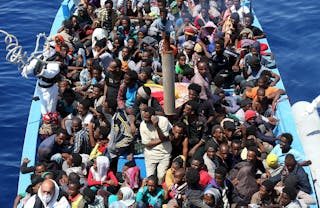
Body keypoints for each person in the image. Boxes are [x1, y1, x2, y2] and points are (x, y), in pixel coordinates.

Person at [140, 107, 172, 184]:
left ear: (153, 116)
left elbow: (167, 136)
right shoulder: (142, 125)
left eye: (147, 118)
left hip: (164, 153)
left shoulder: (163, 121)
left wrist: (156, 126)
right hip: (150, 154)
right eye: (144, 118)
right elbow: (147, 144)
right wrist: (163, 139)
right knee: (150, 178)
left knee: (161, 177)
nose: (145, 121)